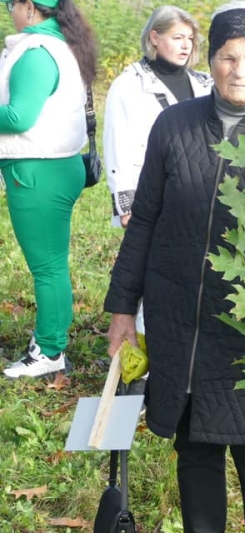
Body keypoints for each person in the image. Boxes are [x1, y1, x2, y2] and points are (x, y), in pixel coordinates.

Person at [103, 2, 245, 531]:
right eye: (228, 58)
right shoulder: (174, 126)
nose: (240, 71)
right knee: (196, 456)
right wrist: (121, 311)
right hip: (180, 321)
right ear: (212, 61)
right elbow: (144, 223)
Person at [0, 0, 97, 379]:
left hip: (39, 172)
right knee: (52, 264)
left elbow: (19, 116)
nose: (9, 11)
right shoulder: (62, 43)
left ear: (28, 7)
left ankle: (50, 351)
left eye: (11, 4)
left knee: (48, 267)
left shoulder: (37, 52)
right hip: (56, 167)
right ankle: (51, 343)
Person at [104, 5, 213, 229]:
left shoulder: (206, 84)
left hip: (201, 195)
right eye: (177, 37)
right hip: (152, 194)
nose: (186, 45)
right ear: (154, 37)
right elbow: (117, 146)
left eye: (190, 38)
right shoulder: (129, 85)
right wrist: (126, 207)